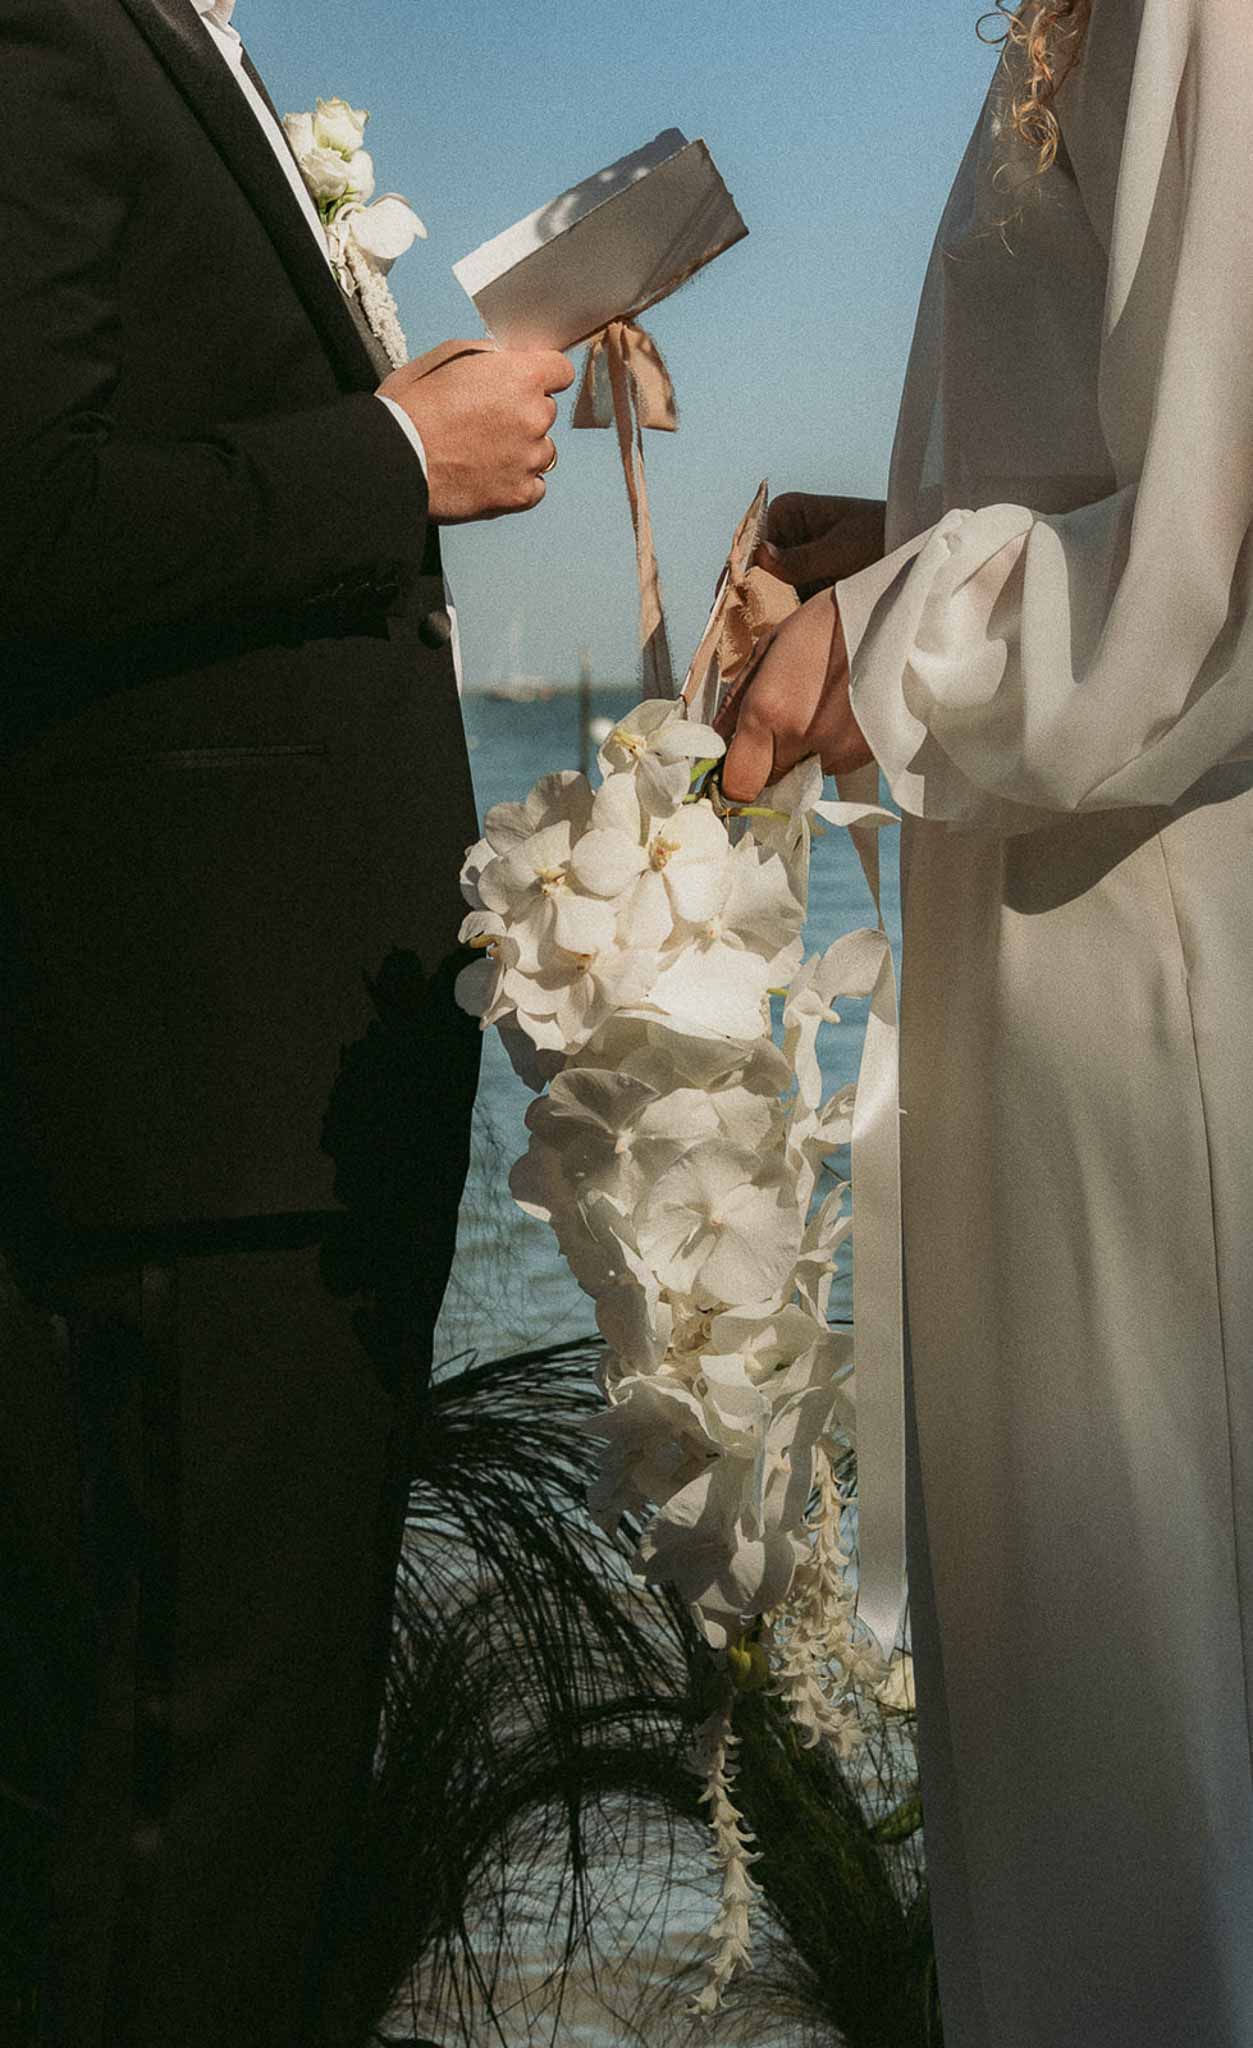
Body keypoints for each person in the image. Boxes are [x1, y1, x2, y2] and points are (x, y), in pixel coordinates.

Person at [0, 1, 573, 2043]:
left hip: (276, 1109)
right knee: (181, 1832)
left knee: (231, 1830)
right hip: (194, 1104)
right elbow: (30, 511)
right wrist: (397, 455)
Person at [714, 1, 1253, 2041]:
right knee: (1084, 1768)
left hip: (1151, 988)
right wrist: (888, 569)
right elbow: (1123, 472)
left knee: (1159, 1770)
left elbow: (1220, 556)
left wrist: (902, 635)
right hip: (1054, 966)